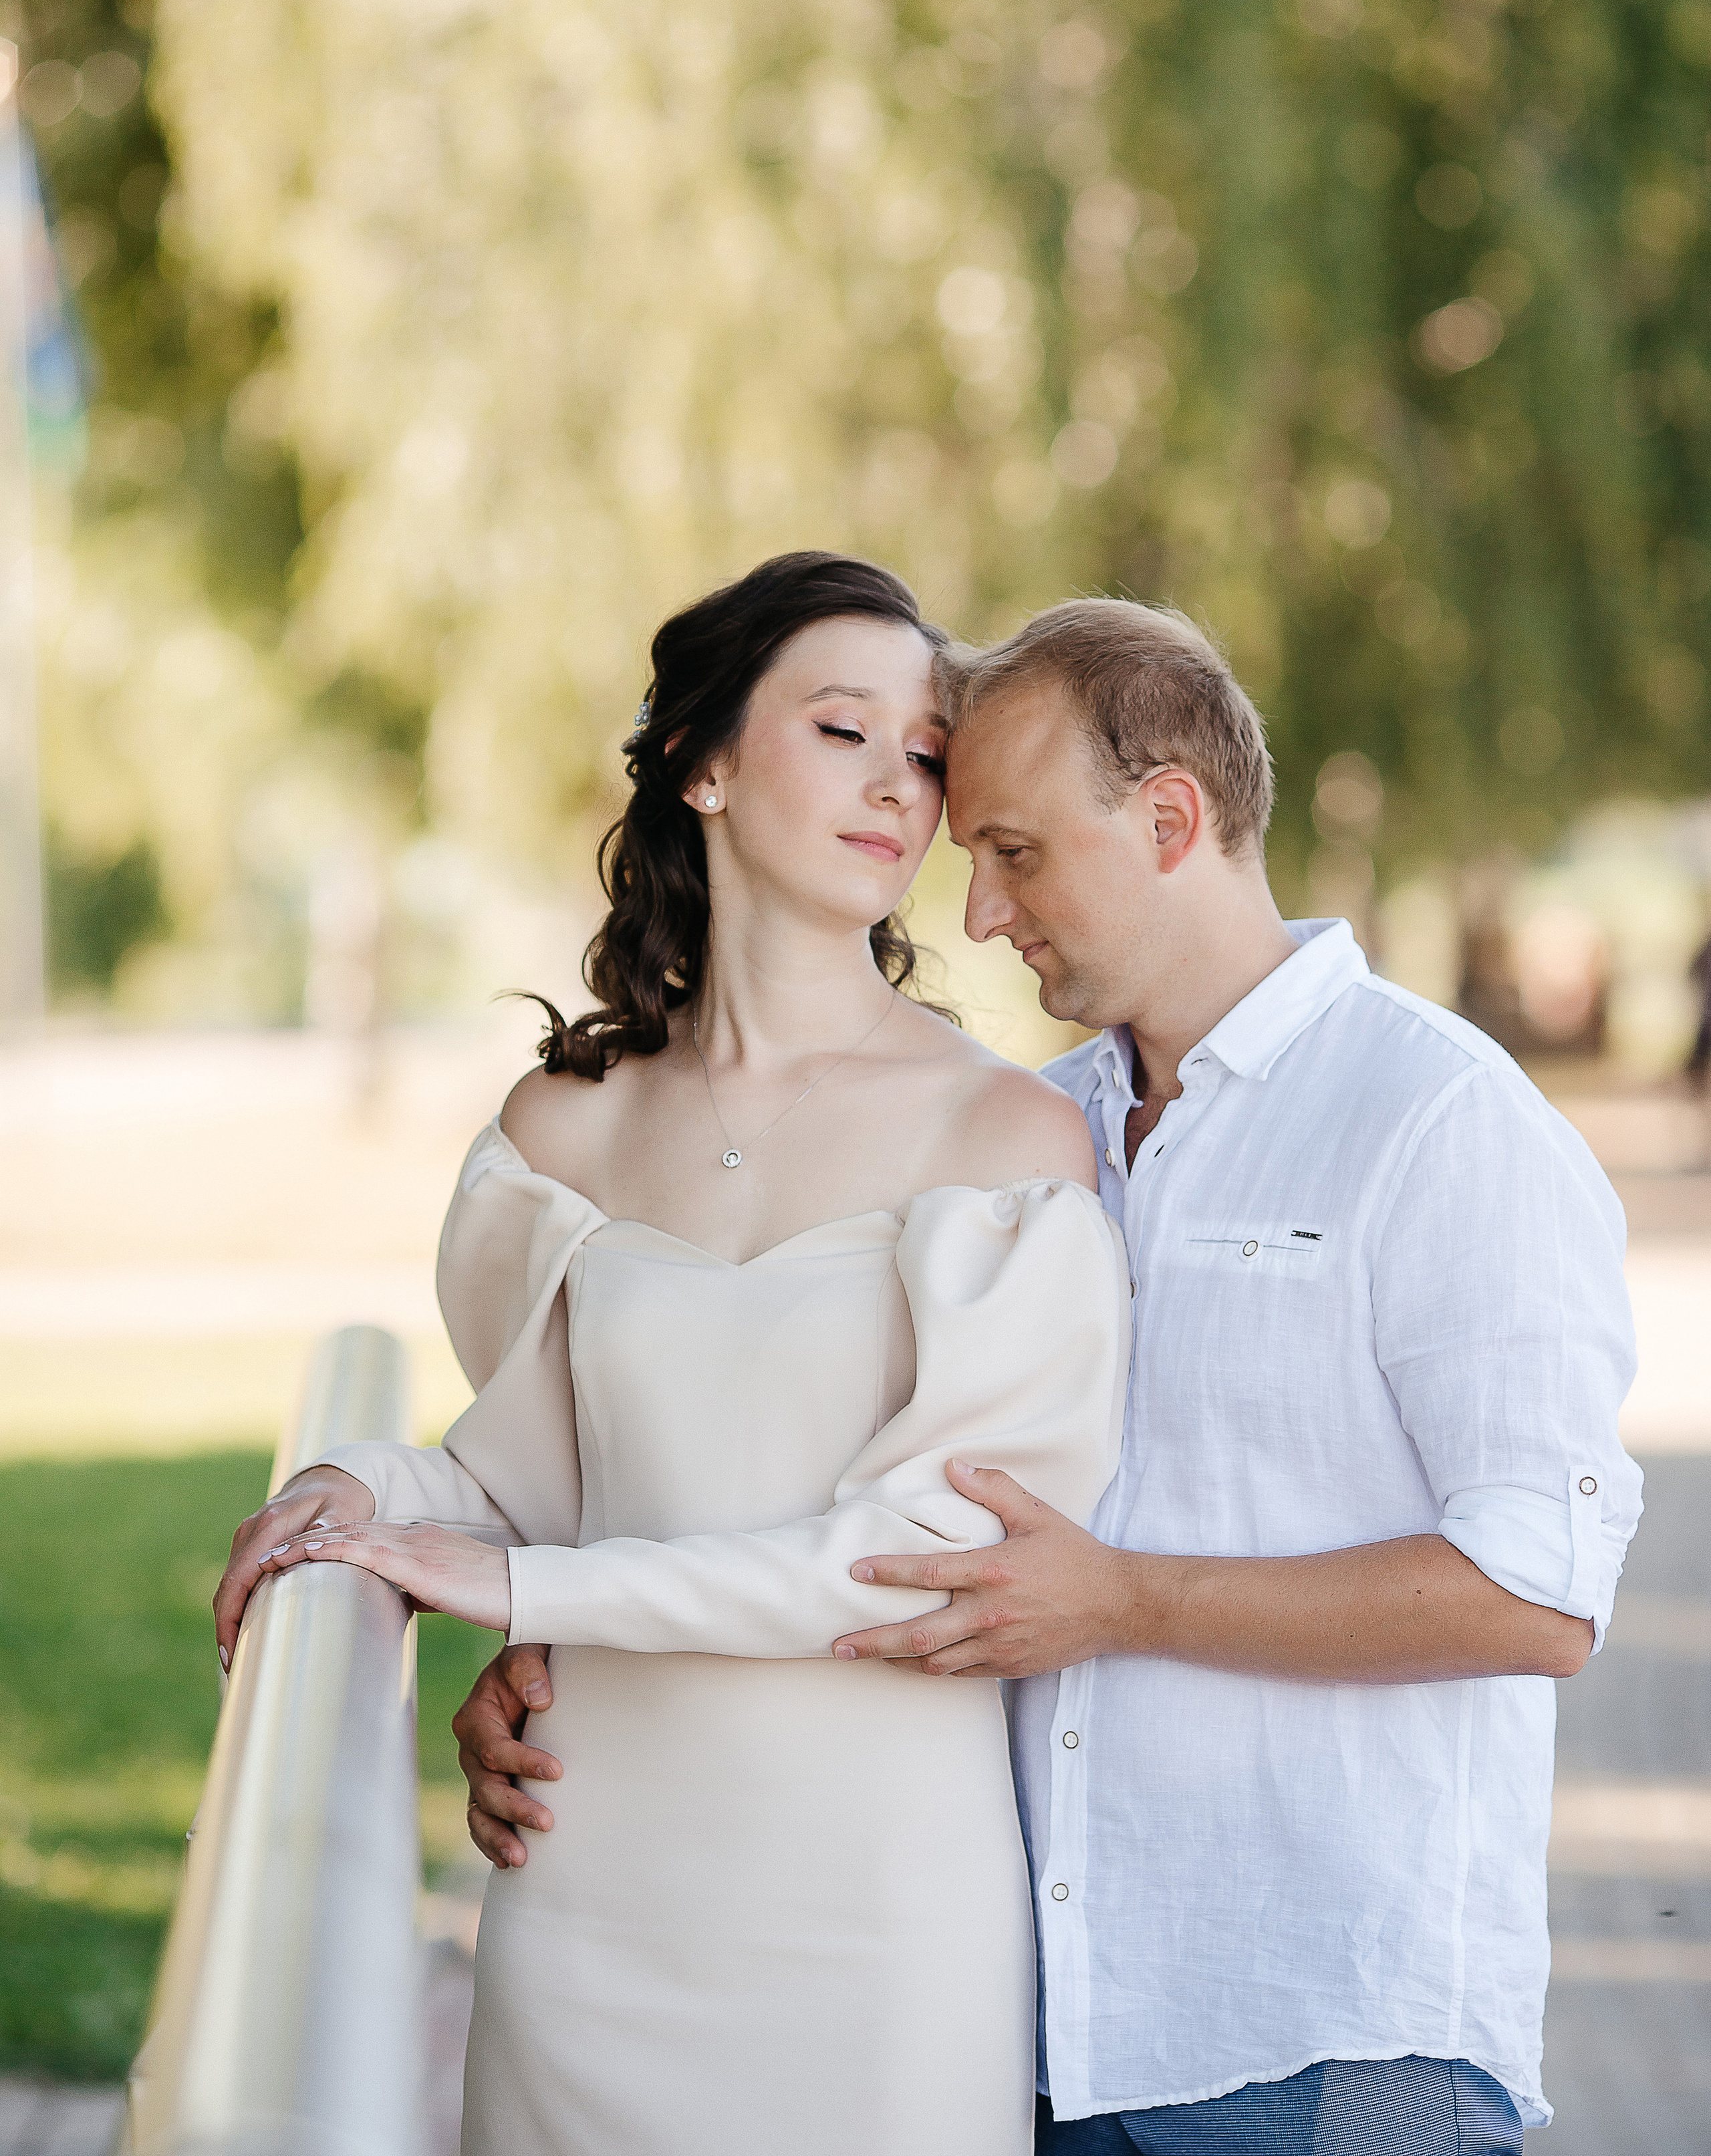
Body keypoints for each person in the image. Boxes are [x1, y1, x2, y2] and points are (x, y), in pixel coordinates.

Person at [460, 594, 1641, 2156]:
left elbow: (1536, 1596)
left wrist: (1126, 1599)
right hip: (1053, 2027)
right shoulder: (1045, 1128)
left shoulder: (1434, 1122)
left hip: (1325, 2036)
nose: (982, 914)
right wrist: (560, 1642)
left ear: (1168, 818)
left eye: (1012, 853)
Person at [211, 551, 1130, 2156]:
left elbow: (922, 1566)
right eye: (841, 729)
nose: (894, 787)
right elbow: (517, 1479)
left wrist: (523, 1594)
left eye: (923, 753)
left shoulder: (1002, 1134)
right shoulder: (559, 1129)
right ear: (701, 764)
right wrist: (350, 1488)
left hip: (878, 1931)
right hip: (587, 1886)